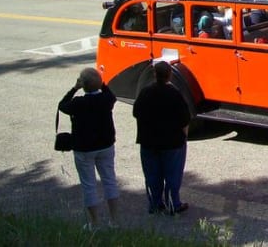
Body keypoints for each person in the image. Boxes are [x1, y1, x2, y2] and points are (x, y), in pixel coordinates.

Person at [58, 67, 120, 230]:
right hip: (106, 145)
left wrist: (74, 88)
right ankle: (114, 220)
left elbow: (62, 105)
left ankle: (95, 223)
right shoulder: (107, 99)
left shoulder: (78, 103)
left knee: (88, 185)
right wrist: (101, 83)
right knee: (109, 180)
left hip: (84, 148)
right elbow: (110, 94)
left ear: (83, 85)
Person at [133, 61, 191, 215]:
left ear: (154, 74)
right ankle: (173, 204)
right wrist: (184, 137)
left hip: (148, 141)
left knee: (152, 175)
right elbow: (185, 119)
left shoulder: (145, 92)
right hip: (172, 142)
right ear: (169, 75)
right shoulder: (175, 94)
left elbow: (136, 112)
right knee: (172, 175)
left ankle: (155, 204)